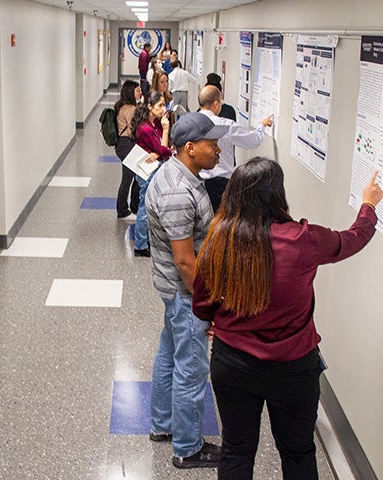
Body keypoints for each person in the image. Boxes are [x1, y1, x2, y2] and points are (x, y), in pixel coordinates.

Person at [193, 159, 383, 480]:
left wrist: (220, 322)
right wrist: (367, 206)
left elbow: (201, 305)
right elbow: (353, 239)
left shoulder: (219, 240)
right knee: (298, 452)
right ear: (277, 194)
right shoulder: (303, 240)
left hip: (232, 363)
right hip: (293, 369)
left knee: (237, 450)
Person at [145, 112, 229, 469]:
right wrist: (205, 304)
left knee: (170, 354)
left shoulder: (180, 174)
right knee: (191, 369)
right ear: (191, 148)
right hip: (184, 293)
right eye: (212, 145)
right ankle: (187, 447)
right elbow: (184, 261)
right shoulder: (179, 193)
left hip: (174, 292)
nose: (219, 151)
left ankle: (162, 426)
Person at [198, 85, 273, 212]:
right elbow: (252, 141)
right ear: (216, 104)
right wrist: (262, 126)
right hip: (220, 185)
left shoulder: (190, 122)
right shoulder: (225, 125)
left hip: (197, 183)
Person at [130, 90, 172, 257]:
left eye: (164, 105)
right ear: (149, 106)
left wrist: (160, 152)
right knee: (144, 208)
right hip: (147, 172)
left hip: (155, 167)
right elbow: (165, 149)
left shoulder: (154, 124)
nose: (163, 109)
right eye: (160, 105)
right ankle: (140, 246)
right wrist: (166, 130)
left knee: (151, 207)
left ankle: (146, 239)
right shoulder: (146, 128)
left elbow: (163, 149)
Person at [114, 80, 142, 219]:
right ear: (131, 92)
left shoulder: (121, 106)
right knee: (129, 178)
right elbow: (133, 131)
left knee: (134, 176)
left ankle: (130, 207)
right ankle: (124, 210)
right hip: (127, 144)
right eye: (137, 90)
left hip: (122, 144)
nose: (140, 92)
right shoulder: (130, 109)